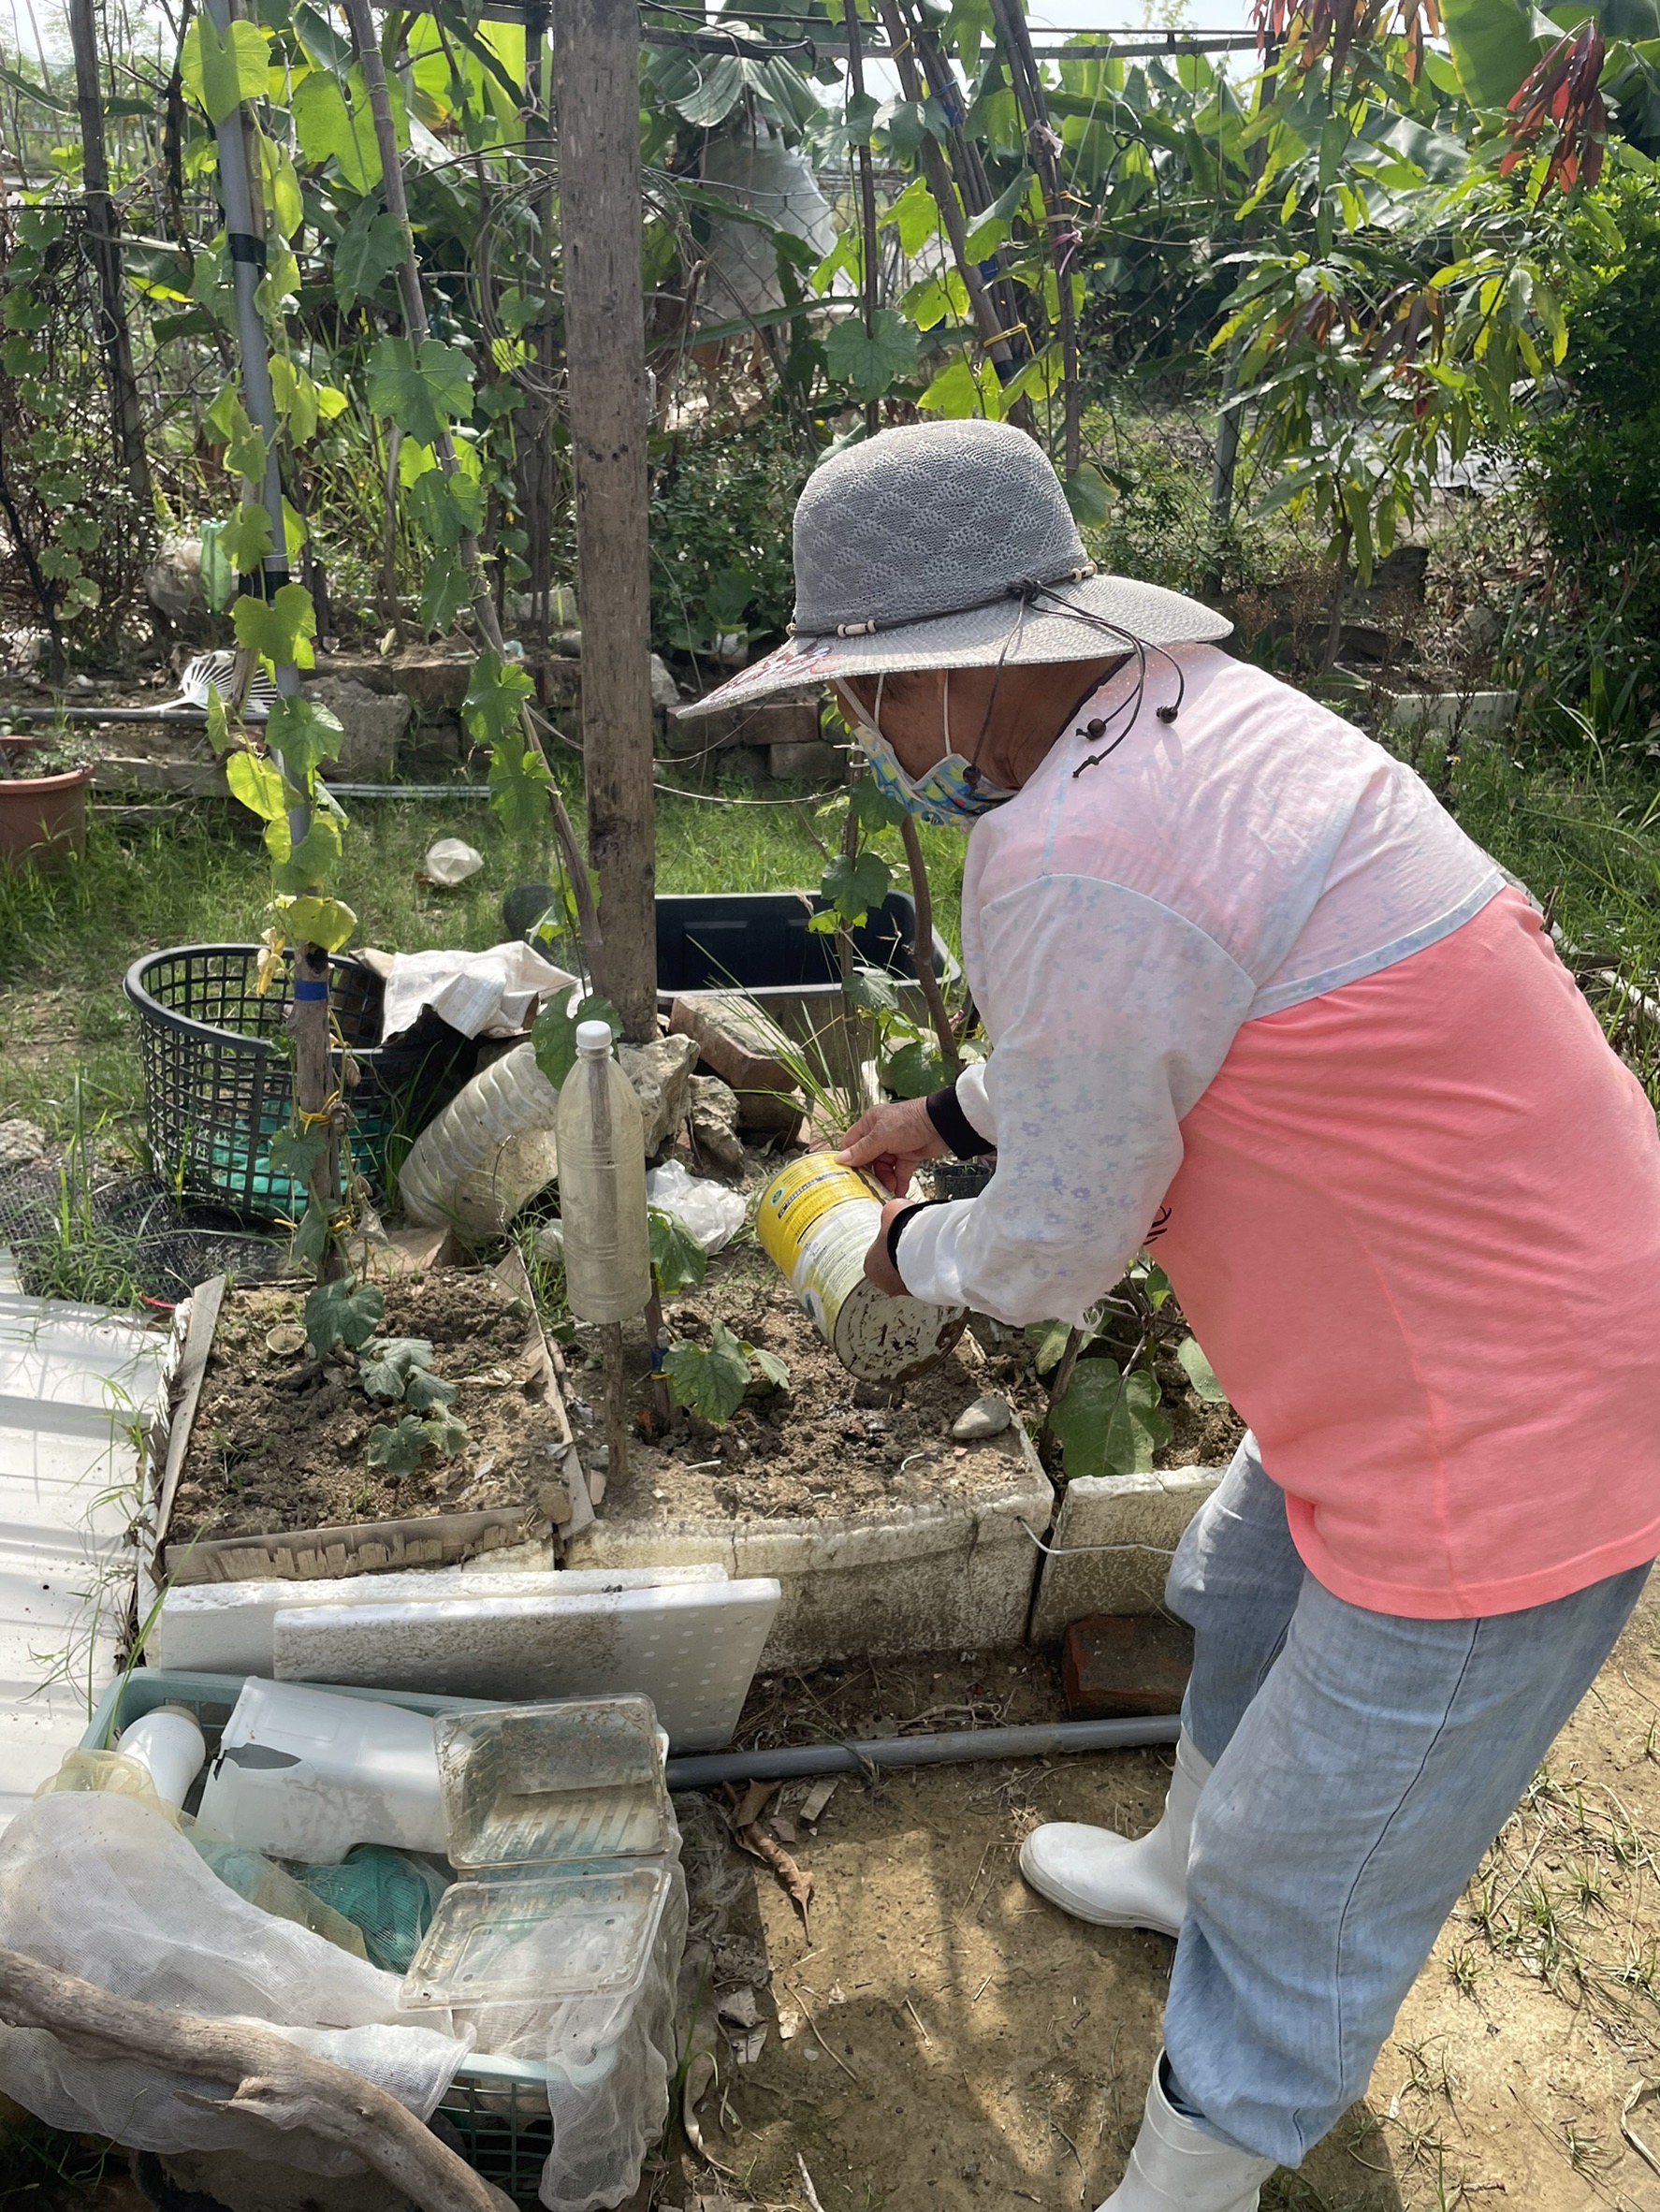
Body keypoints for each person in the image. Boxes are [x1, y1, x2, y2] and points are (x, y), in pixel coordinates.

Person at [676, 418, 1660, 2211]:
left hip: (1510, 1410)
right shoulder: (1187, 724)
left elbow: (1054, 1249)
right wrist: (950, 1119)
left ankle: (1189, 2170)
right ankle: (1180, 1868)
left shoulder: (1079, 852)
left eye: (871, 698)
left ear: (970, 666)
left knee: (1325, 1857)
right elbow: (1160, 1020)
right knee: (1245, 1580)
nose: (863, 735)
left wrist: (885, 1255)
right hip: (1433, 1326)